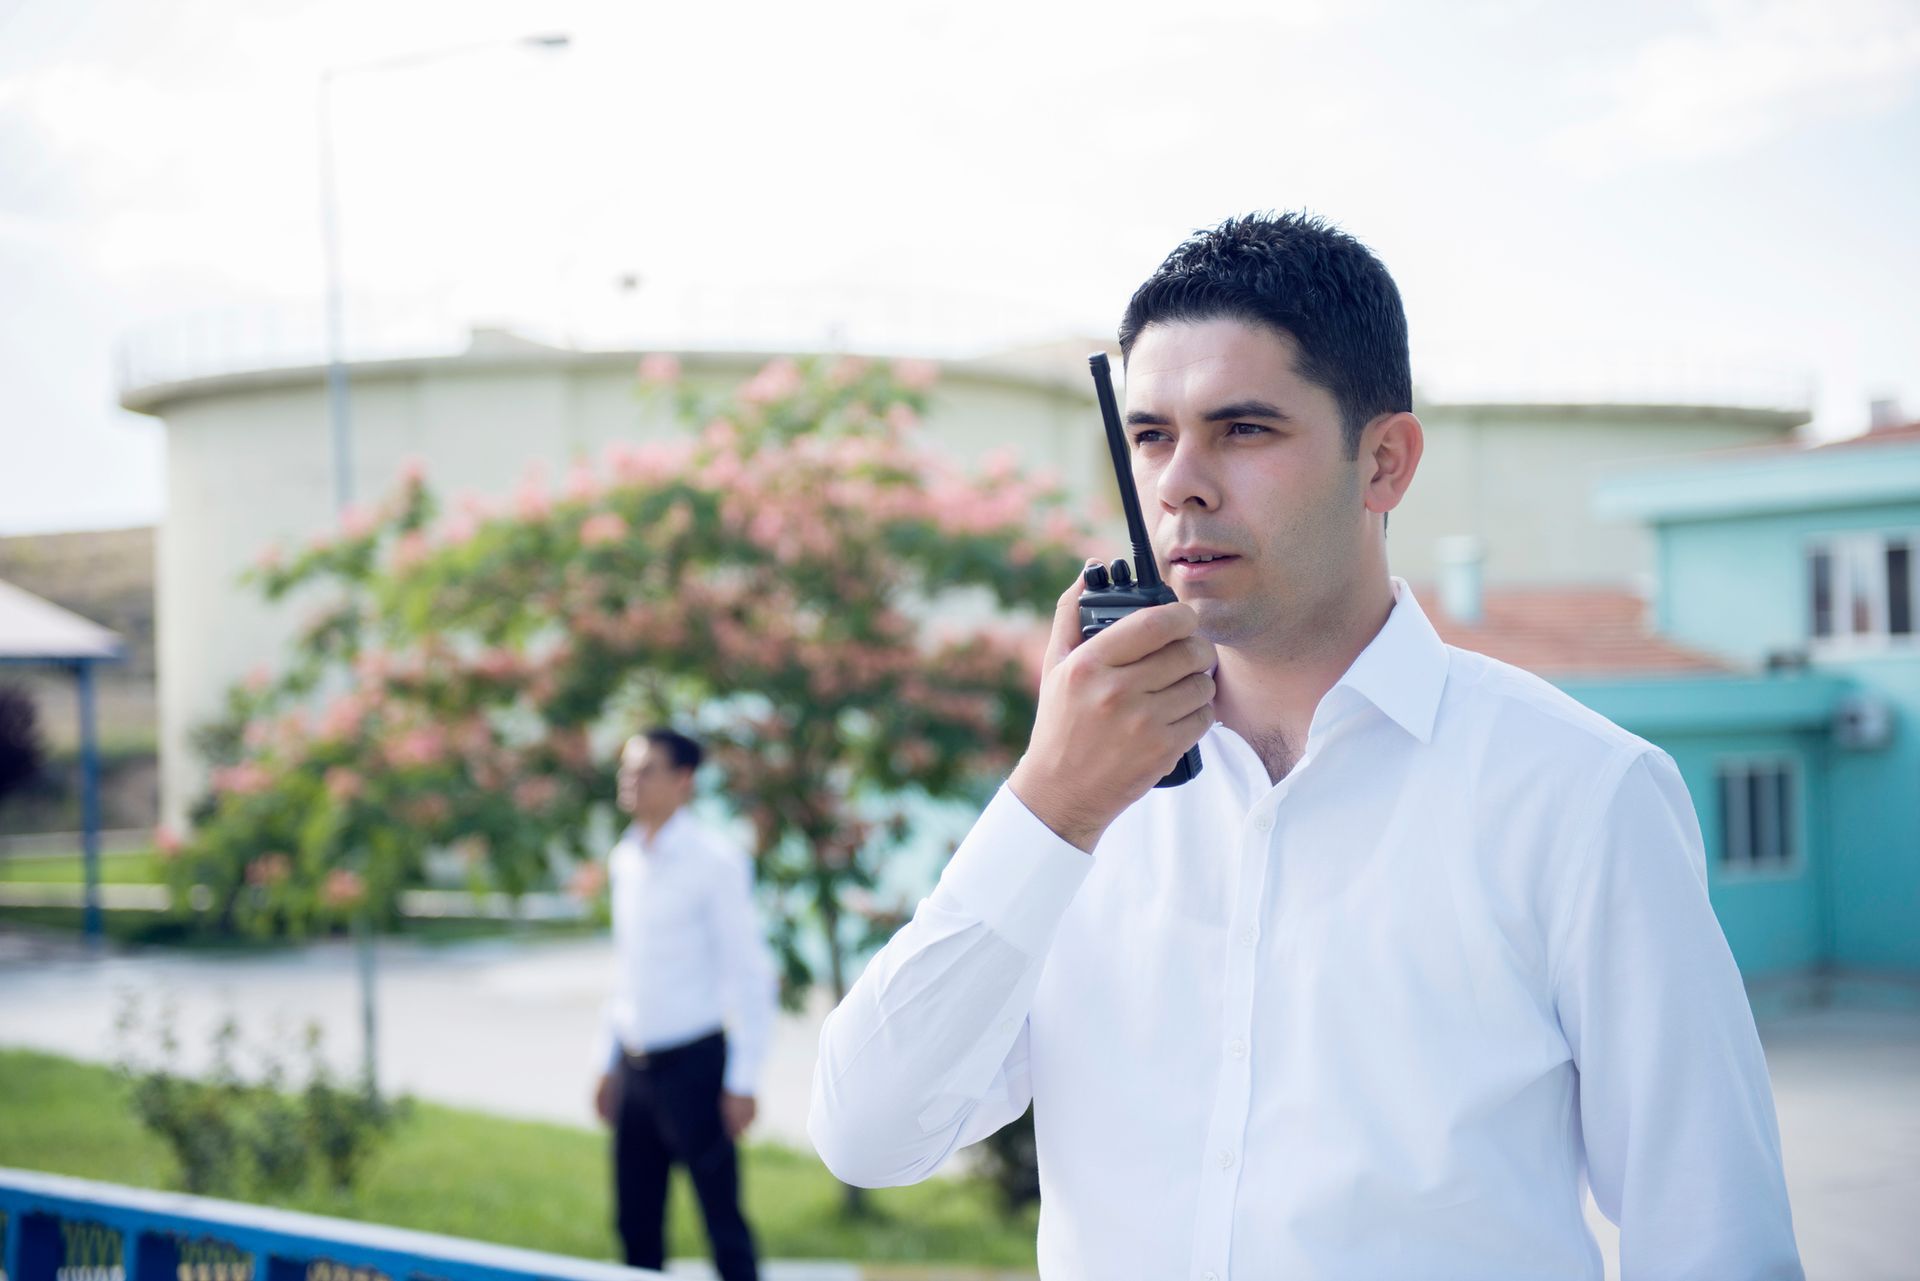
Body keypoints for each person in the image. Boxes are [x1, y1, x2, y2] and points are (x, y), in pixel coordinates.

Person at [809, 214, 1802, 1279]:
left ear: (1385, 462)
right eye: (1151, 436)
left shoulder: (1581, 794)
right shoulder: (1078, 800)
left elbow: (1714, 1241)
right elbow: (870, 1135)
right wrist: (1050, 807)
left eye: (1243, 430)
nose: (1180, 483)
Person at [593, 727, 775, 1281]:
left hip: (695, 1066)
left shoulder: (714, 861)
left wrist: (743, 1080)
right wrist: (606, 1064)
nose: (630, 779)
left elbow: (750, 975)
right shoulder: (625, 857)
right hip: (635, 1068)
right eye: (627, 768)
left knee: (723, 1225)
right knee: (635, 1225)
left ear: (684, 780)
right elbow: (626, 969)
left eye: (645, 769)